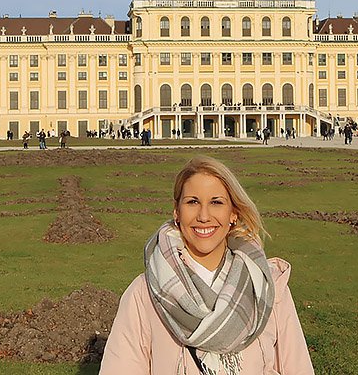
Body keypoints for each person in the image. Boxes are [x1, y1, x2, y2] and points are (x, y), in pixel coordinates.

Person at [100, 156, 314, 375]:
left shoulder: (267, 287)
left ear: (233, 213)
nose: (204, 216)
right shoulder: (145, 294)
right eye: (192, 202)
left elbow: (297, 368)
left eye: (216, 202)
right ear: (177, 211)